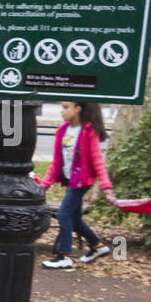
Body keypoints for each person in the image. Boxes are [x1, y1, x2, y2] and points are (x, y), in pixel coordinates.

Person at [39, 101, 114, 269]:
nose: (62, 111)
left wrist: (106, 186)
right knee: (74, 218)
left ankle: (64, 256)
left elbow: (98, 160)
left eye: (66, 108)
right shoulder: (63, 130)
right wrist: (44, 184)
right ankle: (98, 247)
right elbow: (56, 162)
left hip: (82, 181)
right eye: (62, 107)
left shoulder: (88, 131)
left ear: (78, 109)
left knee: (63, 215)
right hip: (71, 179)